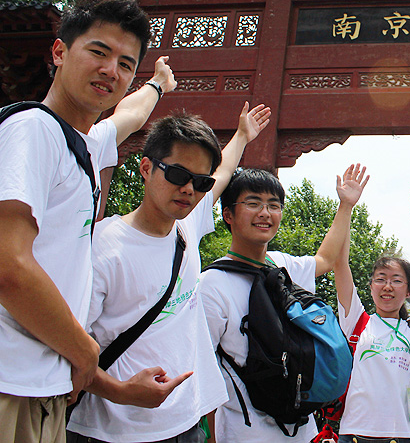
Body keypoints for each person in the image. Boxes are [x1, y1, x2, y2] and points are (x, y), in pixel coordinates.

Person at [0, 0, 177, 443]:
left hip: (41, 389)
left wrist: (157, 84)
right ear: (59, 52)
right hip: (9, 384)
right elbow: (8, 265)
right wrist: (86, 352)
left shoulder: (83, 144)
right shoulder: (33, 130)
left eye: (125, 64)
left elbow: (130, 117)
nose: (110, 70)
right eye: (99, 52)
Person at [66, 103, 270, 443]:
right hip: (110, 430)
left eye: (199, 181)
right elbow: (68, 349)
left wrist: (242, 136)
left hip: (185, 424)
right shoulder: (102, 248)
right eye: (177, 175)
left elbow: (221, 174)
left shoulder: (185, 227)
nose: (189, 189)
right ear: (146, 168)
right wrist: (121, 392)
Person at [199, 164, 369, 442]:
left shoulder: (282, 265)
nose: (265, 213)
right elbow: (203, 373)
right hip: (244, 434)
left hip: (301, 430)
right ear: (228, 214)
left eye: (273, 205)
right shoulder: (212, 285)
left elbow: (325, 259)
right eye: (253, 203)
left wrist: (346, 206)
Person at [333, 188, 410, 443]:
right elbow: (339, 262)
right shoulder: (357, 322)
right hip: (356, 434)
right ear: (371, 286)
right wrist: (347, 206)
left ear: (408, 291)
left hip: (407, 435)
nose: (387, 286)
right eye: (381, 279)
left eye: (397, 281)